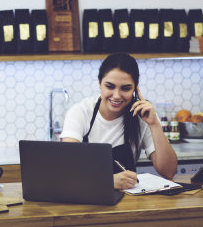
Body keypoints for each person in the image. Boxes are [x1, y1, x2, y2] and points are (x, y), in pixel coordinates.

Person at [60, 52, 177, 190]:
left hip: (130, 203)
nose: (116, 96)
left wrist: (154, 125)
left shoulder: (143, 114)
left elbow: (168, 171)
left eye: (126, 88)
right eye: (110, 86)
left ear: (135, 88)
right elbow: (67, 168)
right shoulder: (81, 112)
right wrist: (107, 181)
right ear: (99, 83)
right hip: (86, 198)